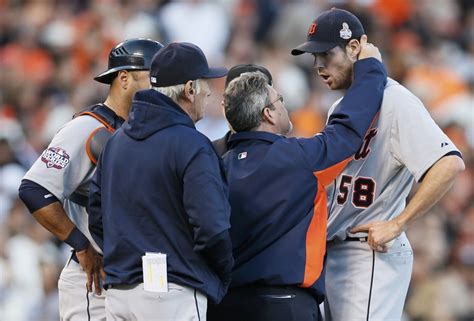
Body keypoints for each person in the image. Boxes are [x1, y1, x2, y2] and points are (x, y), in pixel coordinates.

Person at [291, 8, 465, 321]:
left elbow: (449, 164)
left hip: (369, 252)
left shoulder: (396, 100)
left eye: (326, 55)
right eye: (314, 58)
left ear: (355, 47)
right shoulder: (340, 108)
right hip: (335, 250)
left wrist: (399, 222)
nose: (318, 66)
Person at [207, 37, 386, 321]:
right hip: (284, 304)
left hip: (224, 305)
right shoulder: (297, 157)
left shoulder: (211, 165)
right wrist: (371, 68)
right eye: (280, 100)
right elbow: (348, 130)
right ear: (267, 114)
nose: (284, 105)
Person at [18, 38, 163, 321]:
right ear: (124, 78)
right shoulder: (87, 127)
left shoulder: (146, 131)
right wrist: (80, 245)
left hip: (137, 276)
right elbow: (35, 189)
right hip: (96, 279)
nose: (160, 87)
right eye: (152, 78)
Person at [88, 42, 233, 321]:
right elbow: (211, 227)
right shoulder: (192, 145)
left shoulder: (116, 141)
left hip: (120, 291)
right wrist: (218, 273)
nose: (209, 93)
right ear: (189, 89)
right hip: (172, 292)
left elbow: (96, 216)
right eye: (206, 86)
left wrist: (127, 260)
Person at [212, 64, 273, 157]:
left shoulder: (290, 152)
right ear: (224, 107)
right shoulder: (210, 153)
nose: (250, 108)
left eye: (257, 100)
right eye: (241, 100)